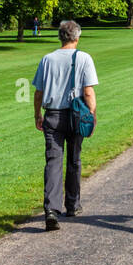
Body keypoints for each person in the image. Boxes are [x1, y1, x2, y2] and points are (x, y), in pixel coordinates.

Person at [32, 20, 97, 231]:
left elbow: (39, 91)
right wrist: (92, 114)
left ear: (60, 37)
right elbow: (88, 92)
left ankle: (51, 209)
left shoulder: (47, 59)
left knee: (53, 161)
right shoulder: (84, 58)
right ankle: (72, 204)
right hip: (76, 115)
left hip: (52, 114)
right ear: (77, 37)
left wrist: (37, 114)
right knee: (74, 160)